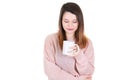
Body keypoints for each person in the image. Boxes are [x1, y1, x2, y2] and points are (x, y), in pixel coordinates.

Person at [44, 2, 94, 80]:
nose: (70, 25)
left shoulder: (87, 43)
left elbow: (88, 72)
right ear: (61, 21)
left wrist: (79, 55)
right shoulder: (51, 40)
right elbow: (50, 70)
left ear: (79, 22)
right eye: (66, 21)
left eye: (74, 22)